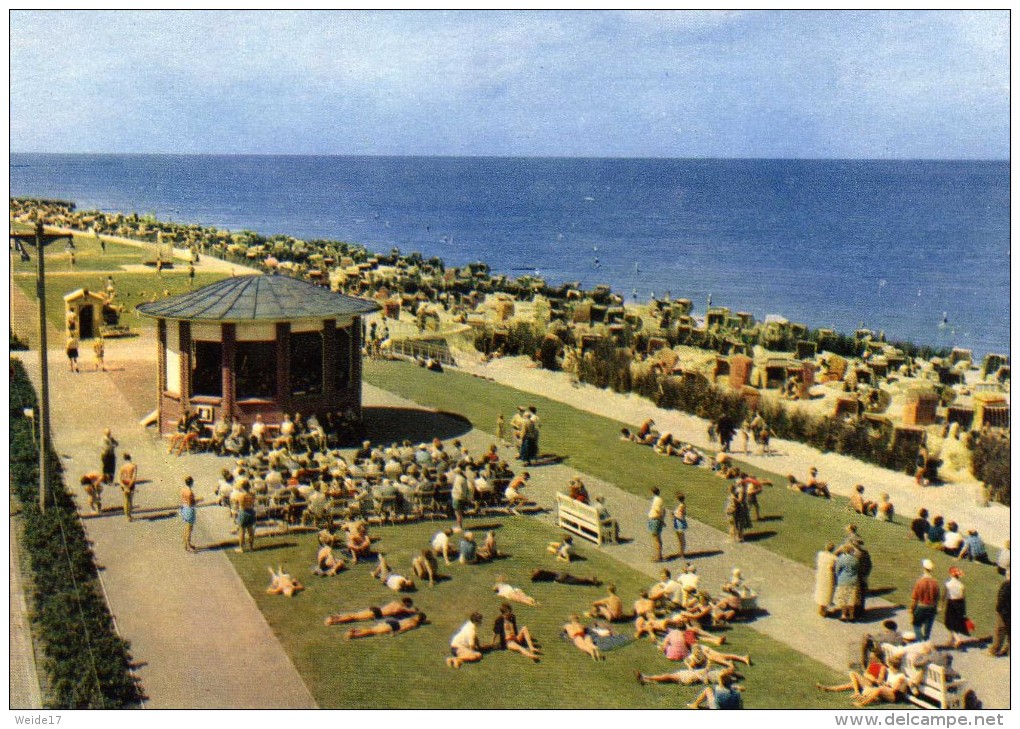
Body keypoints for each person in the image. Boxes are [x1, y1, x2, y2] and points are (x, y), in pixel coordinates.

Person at [943, 566, 976, 649]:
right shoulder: (961, 585)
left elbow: (945, 595)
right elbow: (963, 597)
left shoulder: (948, 583)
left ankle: (957, 639)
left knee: (948, 623)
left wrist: (941, 605)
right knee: (956, 622)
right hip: (960, 604)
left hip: (951, 603)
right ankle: (951, 640)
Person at [325, 597, 417, 626]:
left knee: (354, 615)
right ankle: (333, 621)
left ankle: (334, 618)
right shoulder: (401, 608)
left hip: (375, 609)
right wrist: (414, 610)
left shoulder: (394, 602)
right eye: (408, 604)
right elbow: (410, 611)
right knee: (355, 617)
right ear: (406, 603)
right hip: (377, 613)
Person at [910, 559, 941, 641]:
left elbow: (914, 599)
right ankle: (926, 641)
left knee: (916, 625)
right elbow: (937, 598)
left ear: (923, 568)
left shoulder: (920, 582)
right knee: (928, 628)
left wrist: (911, 610)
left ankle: (920, 641)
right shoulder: (935, 582)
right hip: (932, 607)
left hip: (922, 607)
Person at [344, 612, 426, 640]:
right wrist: (395, 632)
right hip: (394, 627)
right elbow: (405, 628)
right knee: (372, 631)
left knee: (372, 629)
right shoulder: (414, 623)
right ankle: (354, 635)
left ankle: (355, 631)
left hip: (392, 622)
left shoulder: (411, 619)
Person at [637, 665, 735, 687]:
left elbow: (705, 680)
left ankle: (645, 678)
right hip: (692, 673)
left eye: (727, 669)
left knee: (668, 676)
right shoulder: (723, 674)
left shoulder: (721, 676)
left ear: (727, 673)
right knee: (668, 676)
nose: (725, 669)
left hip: (691, 677)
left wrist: (705, 671)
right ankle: (646, 679)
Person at [834, 545, 861, 622]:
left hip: (843, 580)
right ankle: (851, 615)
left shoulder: (841, 559)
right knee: (851, 599)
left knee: (843, 599)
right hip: (853, 581)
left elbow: (837, 570)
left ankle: (844, 614)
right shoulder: (856, 559)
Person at [989, 575, 1010, 657]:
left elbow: (1001, 599)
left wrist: (999, 610)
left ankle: (995, 650)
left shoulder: (1006, 585)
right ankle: (1007, 650)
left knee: (1000, 630)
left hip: (1004, 612)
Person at [814, 542, 837, 617]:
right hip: (828, 575)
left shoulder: (820, 554)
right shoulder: (834, 558)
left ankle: (820, 608)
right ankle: (823, 610)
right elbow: (833, 567)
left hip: (820, 573)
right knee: (827, 592)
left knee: (821, 590)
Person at [235, 482, 256, 553]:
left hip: (244, 512)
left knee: (242, 531)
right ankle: (251, 547)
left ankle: (241, 548)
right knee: (250, 530)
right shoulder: (252, 494)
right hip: (251, 511)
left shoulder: (242, 495)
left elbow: (240, 504)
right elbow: (253, 502)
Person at [648, 486, 666, 562]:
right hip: (655, 519)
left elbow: (658, 511)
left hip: (656, 520)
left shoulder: (657, 500)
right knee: (656, 538)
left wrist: (661, 520)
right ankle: (658, 555)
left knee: (656, 539)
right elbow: (663, 510)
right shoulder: (658, 499)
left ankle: (658, 556)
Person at [180, 476, 197, 552]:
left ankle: (186, 544)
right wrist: (198, 500)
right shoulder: (190, 492)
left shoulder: (183, 490)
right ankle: (188, 545)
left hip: (184, 508)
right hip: (189, 510)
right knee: (189, 529)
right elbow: (191, 504)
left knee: (186, 528)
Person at [118, 453, 137, 522]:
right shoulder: (134, 466)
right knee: (130, 500)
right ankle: (129, 515)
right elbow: (134, 477)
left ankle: (127, 516)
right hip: (131, 484)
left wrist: (123, 485)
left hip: (124, 482)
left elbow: (119, 477)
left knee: (126, 500)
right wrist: (129, 486)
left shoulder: (122, 467)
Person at [531, 568, 601, 586]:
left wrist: (535, 575)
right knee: (577, 579)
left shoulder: (542, 575)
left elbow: (533, 579)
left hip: (560, 578)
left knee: (578, 581)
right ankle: (591, 579)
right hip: (561, 574)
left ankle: (591, 580)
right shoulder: (544, 572)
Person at [672, 492, 688, 559]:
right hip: (677, 522)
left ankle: (682, 553)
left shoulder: (682, 505)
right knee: (679, 538)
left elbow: (681, 516)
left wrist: (674, 515)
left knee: (681, 539)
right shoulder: (680, 505)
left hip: (680, 523)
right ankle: (680, 552)